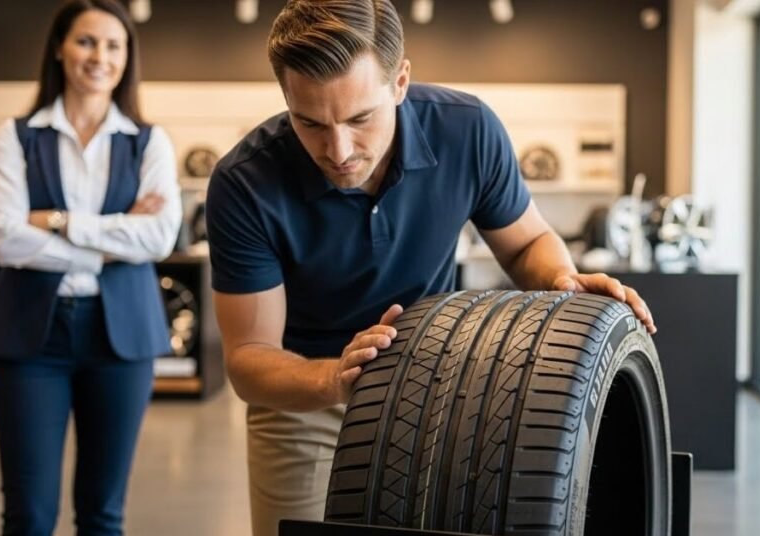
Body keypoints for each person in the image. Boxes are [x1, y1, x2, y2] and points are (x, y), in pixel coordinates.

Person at [205, 1, 656, 535]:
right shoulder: (244, 183)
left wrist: (560, 279)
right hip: (308, 400)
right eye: (310, 123)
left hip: (440, 388)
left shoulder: (468, 131)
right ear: (286, 98)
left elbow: (527, 240)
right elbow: (251, 360)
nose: (339, 149)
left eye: (359, 118)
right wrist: (335, 378)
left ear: (400, 82)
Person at [0, 0, 181, 534]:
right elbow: (4, 237)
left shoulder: (148, 141)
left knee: (103, 514)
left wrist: (60, 221)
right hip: (30, 338)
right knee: (28, 514)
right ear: (59, 48)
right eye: (87, 41)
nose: (100, 57)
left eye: (114, 45)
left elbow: (159, 235)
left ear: (127, 57)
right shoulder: (17, 135)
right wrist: (116, 234)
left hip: (120, 340)